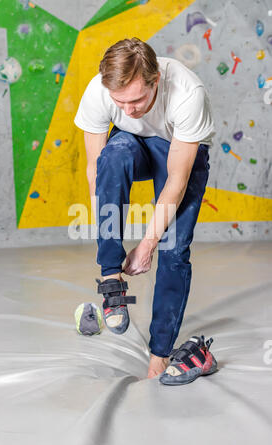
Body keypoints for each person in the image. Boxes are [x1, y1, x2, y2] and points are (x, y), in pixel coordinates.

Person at [74, 37, 217, 382]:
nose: (129, 110)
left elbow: (176, 184)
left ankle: (160, 353)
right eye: (119, 102)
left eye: (137, 100)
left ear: (156, 82)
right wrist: (111, 246)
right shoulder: (99, 91)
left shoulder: (187, 93)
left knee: (173, 249)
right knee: (113, 155)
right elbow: (97, 170)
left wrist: (146, 245)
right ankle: (111, 279)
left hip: (180, 151)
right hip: (133, 145)